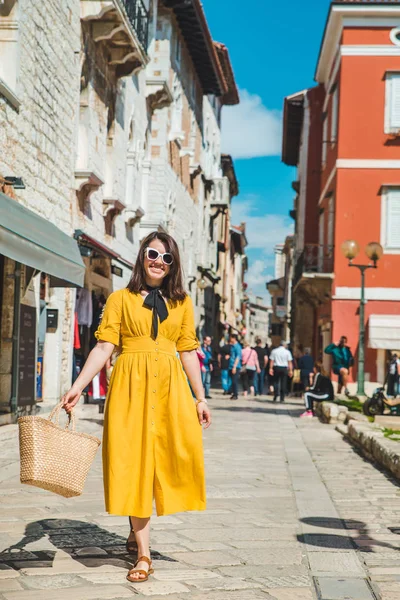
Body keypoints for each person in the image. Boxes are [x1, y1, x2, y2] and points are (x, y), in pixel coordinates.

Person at [61, 231, 211, 584]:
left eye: (167, 257)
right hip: (129, 387)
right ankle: (144, 554)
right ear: (142, 256)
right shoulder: (119, 299)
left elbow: (187, 350)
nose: (159, 261)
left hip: (171, 389)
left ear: (173, 265)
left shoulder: (182, 303)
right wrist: (77, 387)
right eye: (153, 253)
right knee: (132, 461)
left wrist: (201, 397)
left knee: (168, 456)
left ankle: (135, 527)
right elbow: (103, 348)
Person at [229, 333, 242, 400]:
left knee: (234, 381)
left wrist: (234, 366)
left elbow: (238, 357)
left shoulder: (237, 347)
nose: (230, 339)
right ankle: (233, 393)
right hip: (231, 366)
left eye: (231, 338)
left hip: (236, 366)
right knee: (232, 381)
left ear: (234, 338)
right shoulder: (232, 346)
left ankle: (235, 394)